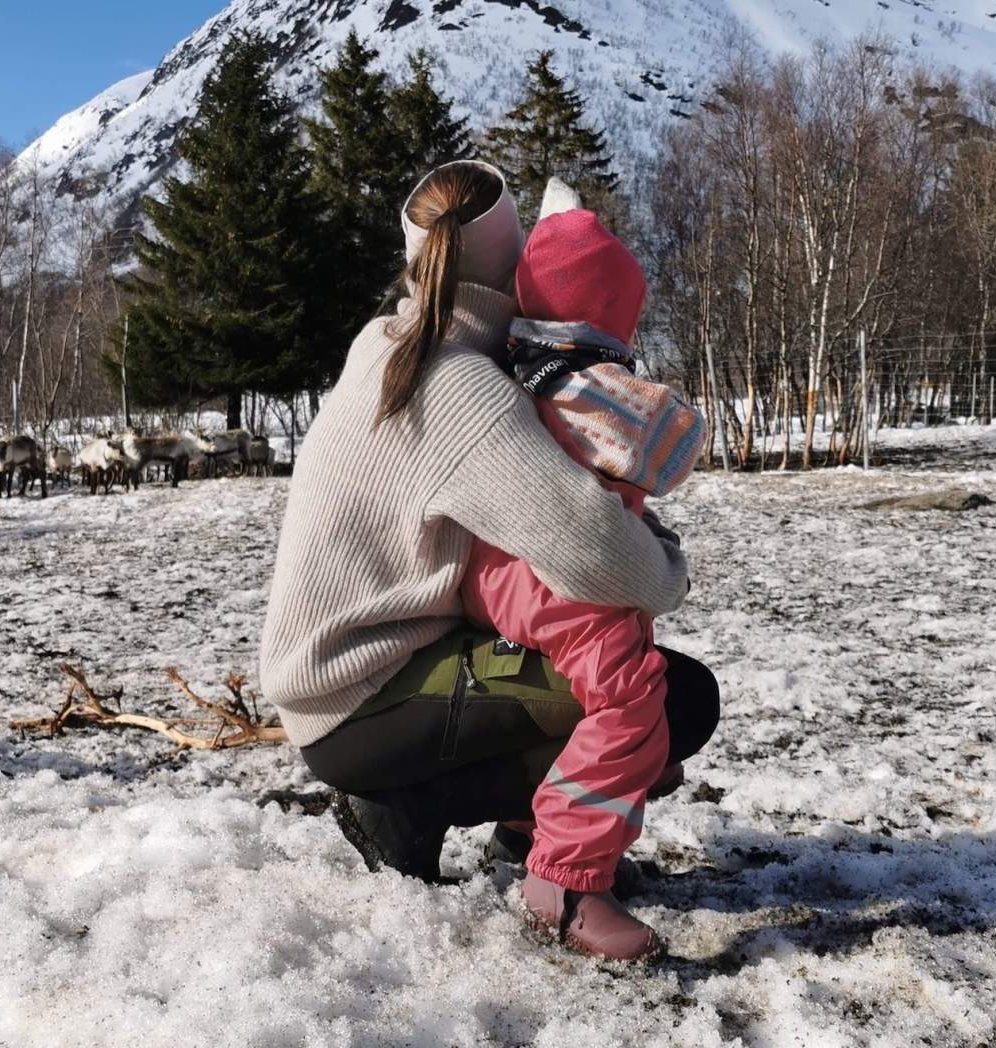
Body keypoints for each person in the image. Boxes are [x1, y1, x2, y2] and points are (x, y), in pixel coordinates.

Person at [258, 160, 720, 961]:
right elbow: (602, 556)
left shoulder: (388, 344)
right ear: (518, 265)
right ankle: (420, 816)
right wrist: (668, 566)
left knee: (585, 664)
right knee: (674, 700)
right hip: (367, 699)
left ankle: (508, 824)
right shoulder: (462, 387)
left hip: (336, 682)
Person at [459, 178, 706, 960]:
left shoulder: (510, 368)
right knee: (629, 695)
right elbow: (672, 450)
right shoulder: (581, 381)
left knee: (578, 694)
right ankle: (565, 880)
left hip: (501, 573)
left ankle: (531, 830)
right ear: (606, 309)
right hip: (555, 576)